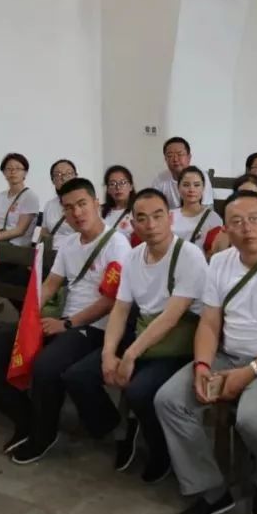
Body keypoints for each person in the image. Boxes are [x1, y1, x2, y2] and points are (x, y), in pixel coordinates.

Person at [155, 190, 257, 514]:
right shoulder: (219, 262)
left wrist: (251, 371)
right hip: (228, 355)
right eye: (237, 222)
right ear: (226, 228)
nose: (247, 229)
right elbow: (210, 322)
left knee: (254, 420)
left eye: (255, 219)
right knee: (169, 400)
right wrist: (202, 365)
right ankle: (212, 491)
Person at [0, 177, 132, 463]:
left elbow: (110, 301)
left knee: (46, 366)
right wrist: (30, 316)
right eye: (69, 208)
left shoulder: (117, 244)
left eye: (82, 204)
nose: (77, 213)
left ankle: (44, 434)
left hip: (94, 328)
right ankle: (25, 419)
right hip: (63, 321)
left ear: (96, 204)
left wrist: (68, 324)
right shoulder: (71, 244)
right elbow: (50, 284)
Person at [62, 188, 209, 483]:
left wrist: (128, 355)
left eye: (157, 216)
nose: (150, 225)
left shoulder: (189, 255)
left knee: (139, 391)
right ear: (133, 222)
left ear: (170, 218)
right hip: (145, 336)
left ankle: (161, 450)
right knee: (78, 375)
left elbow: (170, 317)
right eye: (141, 218)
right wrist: (108, 353)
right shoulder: (133, 257)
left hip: (177, 345)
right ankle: (120, 429)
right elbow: (120, 308)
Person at [170, 166, 223, 257]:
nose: (191, 190)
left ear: (203, 188)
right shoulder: (169, 216)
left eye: (197, 185)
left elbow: (217, 251)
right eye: (186, 185)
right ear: (178, 187)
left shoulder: (213, 218)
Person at [0, 152, 40, 248]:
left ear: (25, 172)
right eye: (9, 169)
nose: (13, 172)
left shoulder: (30, 196)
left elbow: (20, 230)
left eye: (18, 168)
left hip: (17, 246)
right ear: (4, 172)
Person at [153, 137, 214, 209]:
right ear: (165, 159)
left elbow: (207, 209)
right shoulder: (160, 179)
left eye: (180, 154)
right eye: (170, 155)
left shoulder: (199, 176)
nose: (175, 159)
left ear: (189, 157)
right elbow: (153, 206)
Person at [41, 159, 79, 248]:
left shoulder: (83, 204)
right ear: (53, 180)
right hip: (51, 254)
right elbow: (44, 233)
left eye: (69, 173)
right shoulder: (50, 205)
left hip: (75, 253)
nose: (63, 178)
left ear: (76, 177)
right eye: (58, 174)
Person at [102, 165, 137, 241]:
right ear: (107, 189)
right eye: (112, 184)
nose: (118, 187)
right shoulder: (101, 211)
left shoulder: (137, 210)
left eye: (123, 182)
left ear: (131, 186)